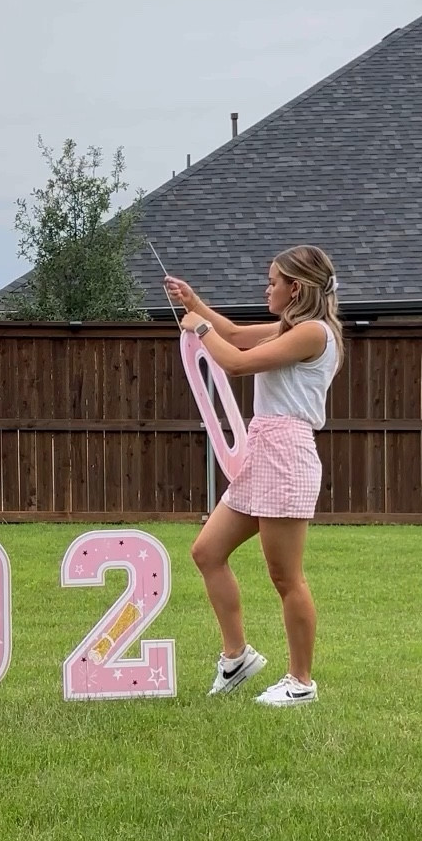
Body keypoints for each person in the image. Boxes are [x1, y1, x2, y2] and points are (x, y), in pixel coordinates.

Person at [166, 245, 342, 707]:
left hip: (286, 456)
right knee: (207, 551)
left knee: (285, 576)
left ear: (296, 288)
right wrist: (194, 303)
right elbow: (238, 335)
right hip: (263, 452)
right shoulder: (290, 328)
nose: (267, 288)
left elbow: (236, 361)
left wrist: (198, 328)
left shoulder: (313, 334)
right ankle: (237, 657)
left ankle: (301, 682)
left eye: (272, 282)